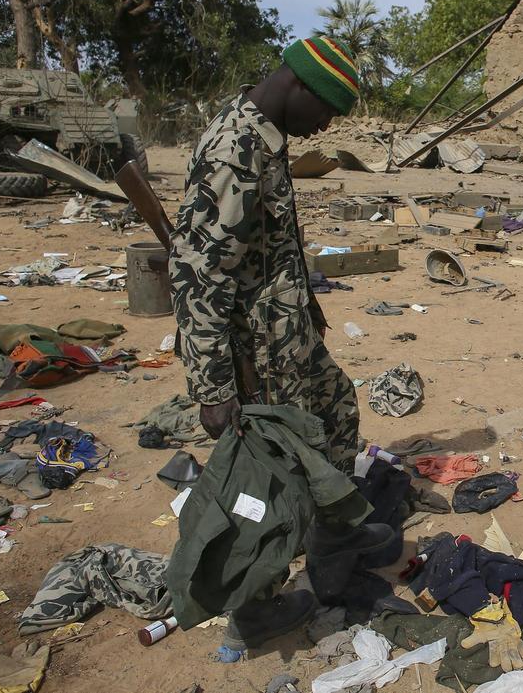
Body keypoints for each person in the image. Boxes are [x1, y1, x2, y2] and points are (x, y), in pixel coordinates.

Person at [168, 36, 391, 655]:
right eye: (325, 112)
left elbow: (266, 244)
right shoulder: (235, 148)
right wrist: (213, 389)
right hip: (254, 354)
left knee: (338, 412)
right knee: (268, 482)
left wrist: (307, 303)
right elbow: (198, 273)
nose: (324, 127)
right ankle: (254, 608)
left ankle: (331, 544)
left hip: (287, 336)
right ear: (297, 86)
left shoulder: (266, 135)